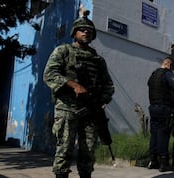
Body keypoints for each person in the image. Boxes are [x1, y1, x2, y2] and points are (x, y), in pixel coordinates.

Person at [43, 11, 115, 178]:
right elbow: (50, 74)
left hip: (91, 111)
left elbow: (108, 85)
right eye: (82, 29)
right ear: (74, 32)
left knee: (88, 151)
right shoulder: (63, 51)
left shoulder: (98, 59)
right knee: (64, 148)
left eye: (89, 30)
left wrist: (102, 100)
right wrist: (74, 85)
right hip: (68, 107)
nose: (86, 32)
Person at [147, 57, 174, 172]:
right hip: (163, 107)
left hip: (153, 107)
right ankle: (164, 162)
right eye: (172, 67)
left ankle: (153, 160)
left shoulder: (153, 74)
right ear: (169, 65)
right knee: (163, 134)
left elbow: (149, 85)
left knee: (154, 134)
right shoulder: (167, 74)